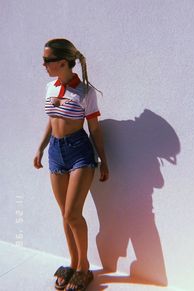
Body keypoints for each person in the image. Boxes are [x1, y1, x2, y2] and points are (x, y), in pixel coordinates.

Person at [33, 38, 109, 291]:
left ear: (62, 62)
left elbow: (95, 128)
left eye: (47, 60)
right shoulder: (50, 87)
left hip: (79, 153)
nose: (43, 64)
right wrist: (41, 148)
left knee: (71, 214)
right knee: (64, 216)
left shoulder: (85, 93)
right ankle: (73, 262)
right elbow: (51, 119)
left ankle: (84, 267)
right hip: (56, 152)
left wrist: (103, 160)